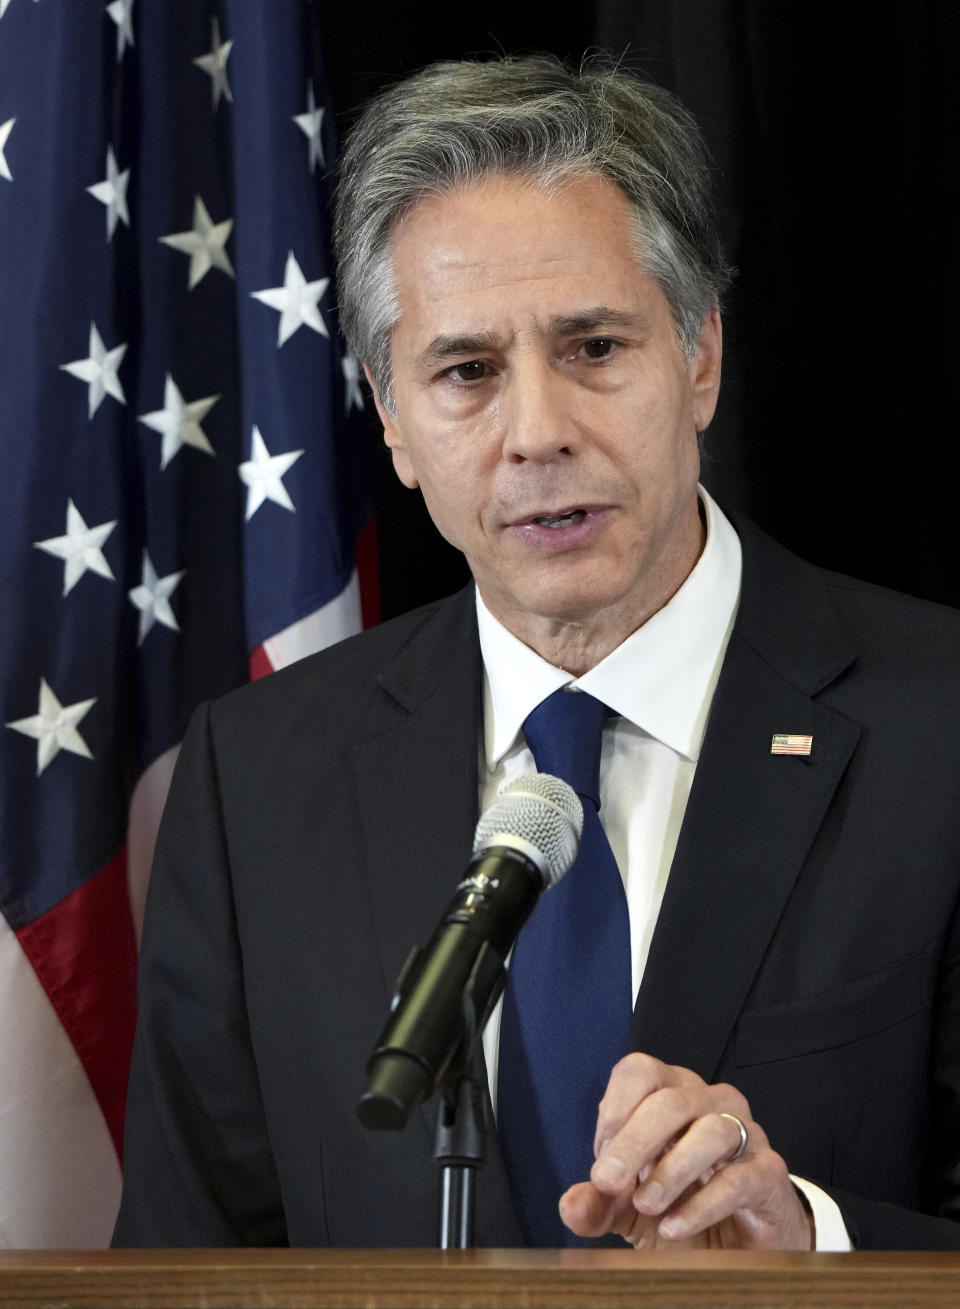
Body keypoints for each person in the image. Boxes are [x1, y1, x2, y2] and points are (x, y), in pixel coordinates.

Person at [113, 55, 960, 1251]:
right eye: (466, 372)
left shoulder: (942, 731)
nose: (539, 434)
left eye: (596, 348)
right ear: (393, 419)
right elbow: (188, 1261)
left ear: (701, 355)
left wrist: (812, 1239)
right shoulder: (254, 777)